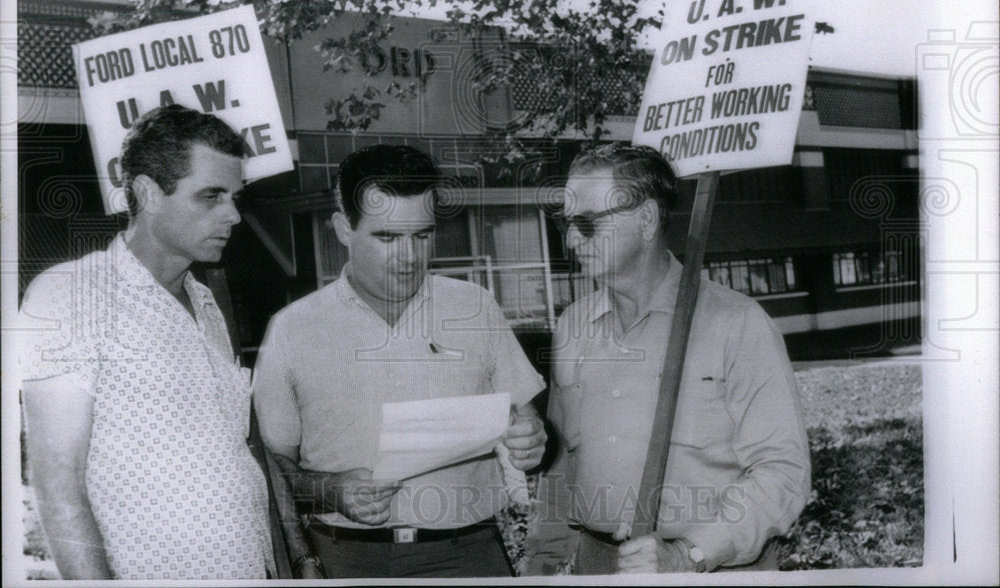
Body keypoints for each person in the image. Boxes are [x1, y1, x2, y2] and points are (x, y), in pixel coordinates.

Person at [252, 143, 547, 578]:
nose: (409, 258)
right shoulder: (292, 329)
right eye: (387, 237)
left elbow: (532, 425)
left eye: (422, 235)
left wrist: (533, 439)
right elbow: (273, 469)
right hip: (345, 558)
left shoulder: (475, 307)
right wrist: (329, 491)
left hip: (468, 554)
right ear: (342, 229)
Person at [19, 105, 287, 579]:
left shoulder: (207, 305)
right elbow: (58, 488)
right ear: (146, 192)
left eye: (235, 195)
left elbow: (235, 461)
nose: (234, 215)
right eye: (211, 196)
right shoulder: (72, 296)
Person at [527, 142, 810, 575]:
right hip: (597, 562)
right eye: (566, 224)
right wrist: (543, 563)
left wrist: (689, 554)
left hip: (710, 566)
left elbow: (782, 473)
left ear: (646, 219)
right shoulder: (573, 327)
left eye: (587, 224)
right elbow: (562, 465)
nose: (570, 239)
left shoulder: (736, 323)